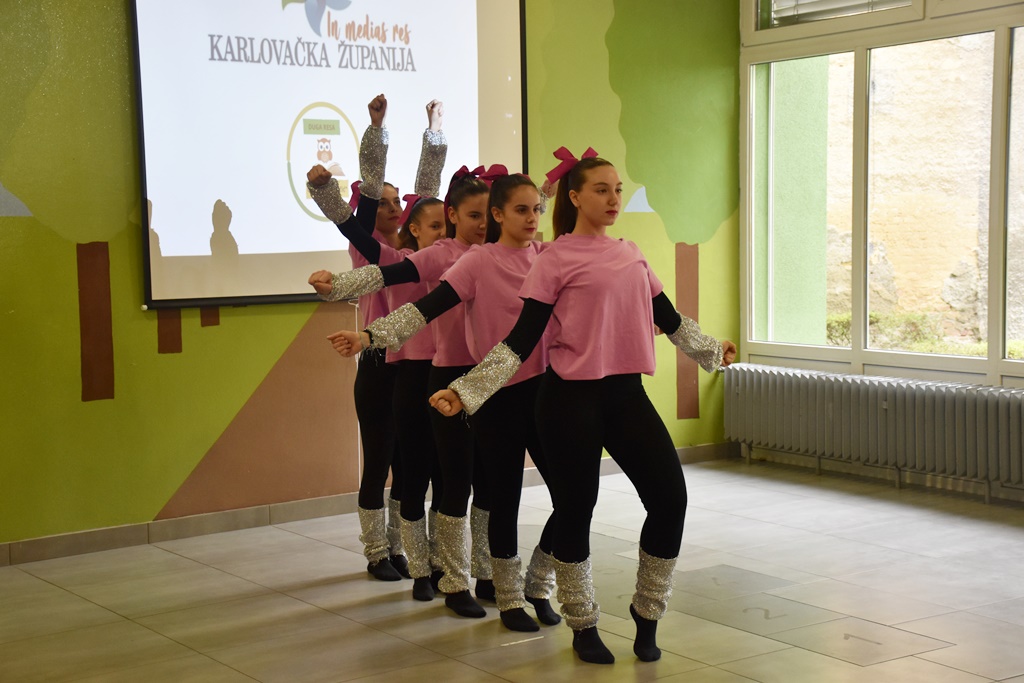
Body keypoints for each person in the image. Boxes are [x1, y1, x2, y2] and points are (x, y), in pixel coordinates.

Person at [429, 149, 737, 664]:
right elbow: (521, 339)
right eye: (601, 189)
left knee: (670, 500)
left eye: (618, 190)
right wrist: (467, 390)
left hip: (626, 395)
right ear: (574, 197)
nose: (613, 198)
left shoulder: (631, 253)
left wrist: (710, 349)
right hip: (568, 400)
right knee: (576, 508)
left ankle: (648, 610)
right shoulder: (553, 258)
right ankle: (582, 621)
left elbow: (669, 317)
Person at [330, 174, 564, 632]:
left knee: (493, 489)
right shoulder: (459, 258)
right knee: (451, 484)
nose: (482, 224)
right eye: (473, 215)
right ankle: (448, 579)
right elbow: (400, 284)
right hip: (450, 379)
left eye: (535, 210)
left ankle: (495, 577)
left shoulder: (533, 254)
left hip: (503, 382)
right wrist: (363, 326)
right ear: (458, 216)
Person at [308, 146, 496, 619]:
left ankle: (452, 567)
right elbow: (363, 241)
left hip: (451, 375)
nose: (441, 233)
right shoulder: (410, 257)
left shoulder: (472, 257)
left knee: (451, 477)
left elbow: (431, 194)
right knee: (401, 470)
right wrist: (337, 286)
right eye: (431, 225)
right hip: (394, 367)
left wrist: (434, 132)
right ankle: (395, 557)